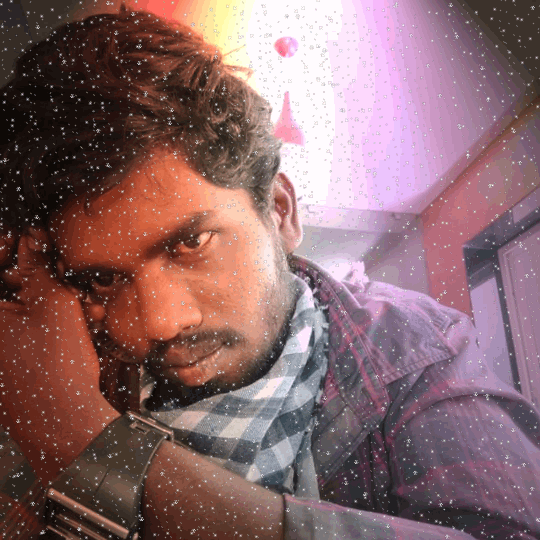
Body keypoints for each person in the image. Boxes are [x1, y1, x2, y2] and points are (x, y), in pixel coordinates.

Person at [1, 8, 539, 540]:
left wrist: (80, 437)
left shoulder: (417, 352)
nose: (161, 321)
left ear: (281, 212)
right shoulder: (74, 357)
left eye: (191, 243)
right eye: (104, 279)